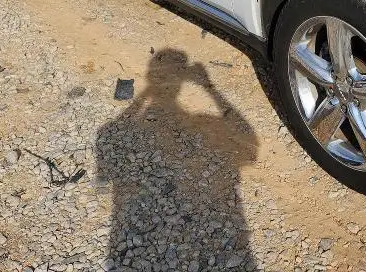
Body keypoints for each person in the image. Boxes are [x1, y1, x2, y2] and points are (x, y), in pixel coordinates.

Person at [95, 49, 258, 271]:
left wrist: (146, 94)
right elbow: (249, 142)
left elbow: (112, 149)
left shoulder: (110, 131)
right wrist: (209, 87)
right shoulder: (198, 123)